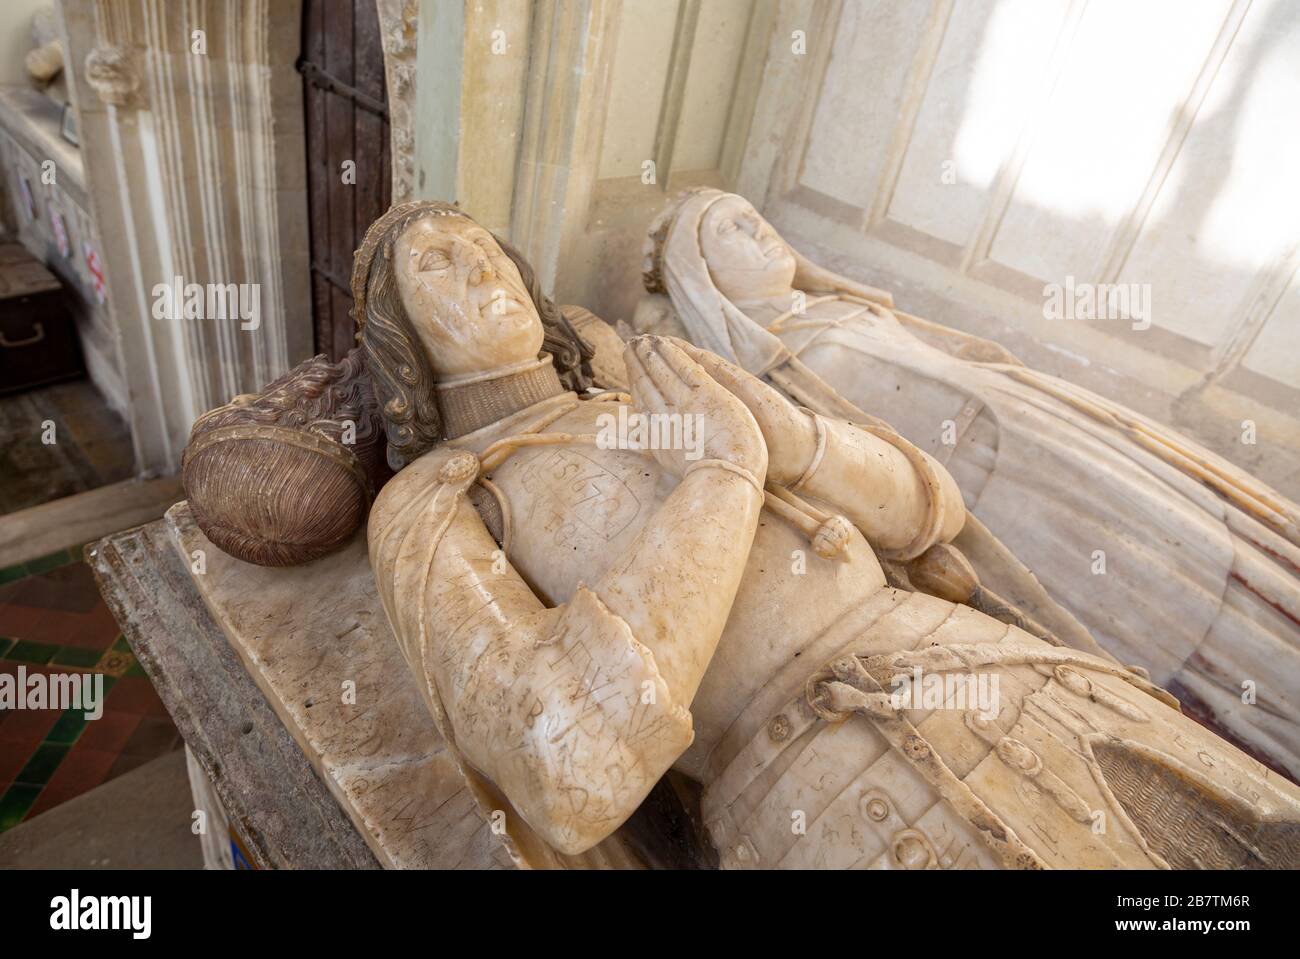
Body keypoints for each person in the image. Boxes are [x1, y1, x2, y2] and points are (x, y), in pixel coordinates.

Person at [357, 200, 1300, 869]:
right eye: (438, 262)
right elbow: (564, 767)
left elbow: (930, 510)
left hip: (999, 669)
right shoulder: (436, 502)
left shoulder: (639, 382)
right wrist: (725, 478)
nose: (482, 264)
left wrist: (790, 440)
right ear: (397, 336)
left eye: (485, 245)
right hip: (834, 783)